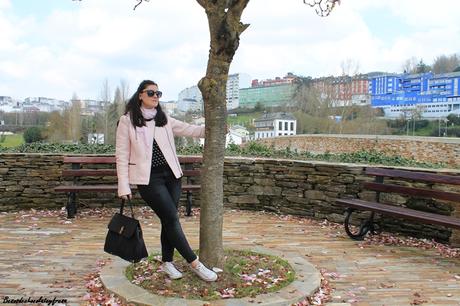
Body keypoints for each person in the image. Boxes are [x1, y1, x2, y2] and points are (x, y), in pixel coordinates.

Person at [115, 80, 217, 282]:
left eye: (158, 93)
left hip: (172, 176)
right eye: (151, 92)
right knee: (171, 218)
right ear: (140, 95)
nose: (155, 96)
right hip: (149, 180)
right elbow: (121, 154)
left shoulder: (164, 119)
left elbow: (191, 130)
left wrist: (215, 127)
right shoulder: (127, 121)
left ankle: (167, 263)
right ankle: (194, 263)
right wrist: (123, 185)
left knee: (167, 220)